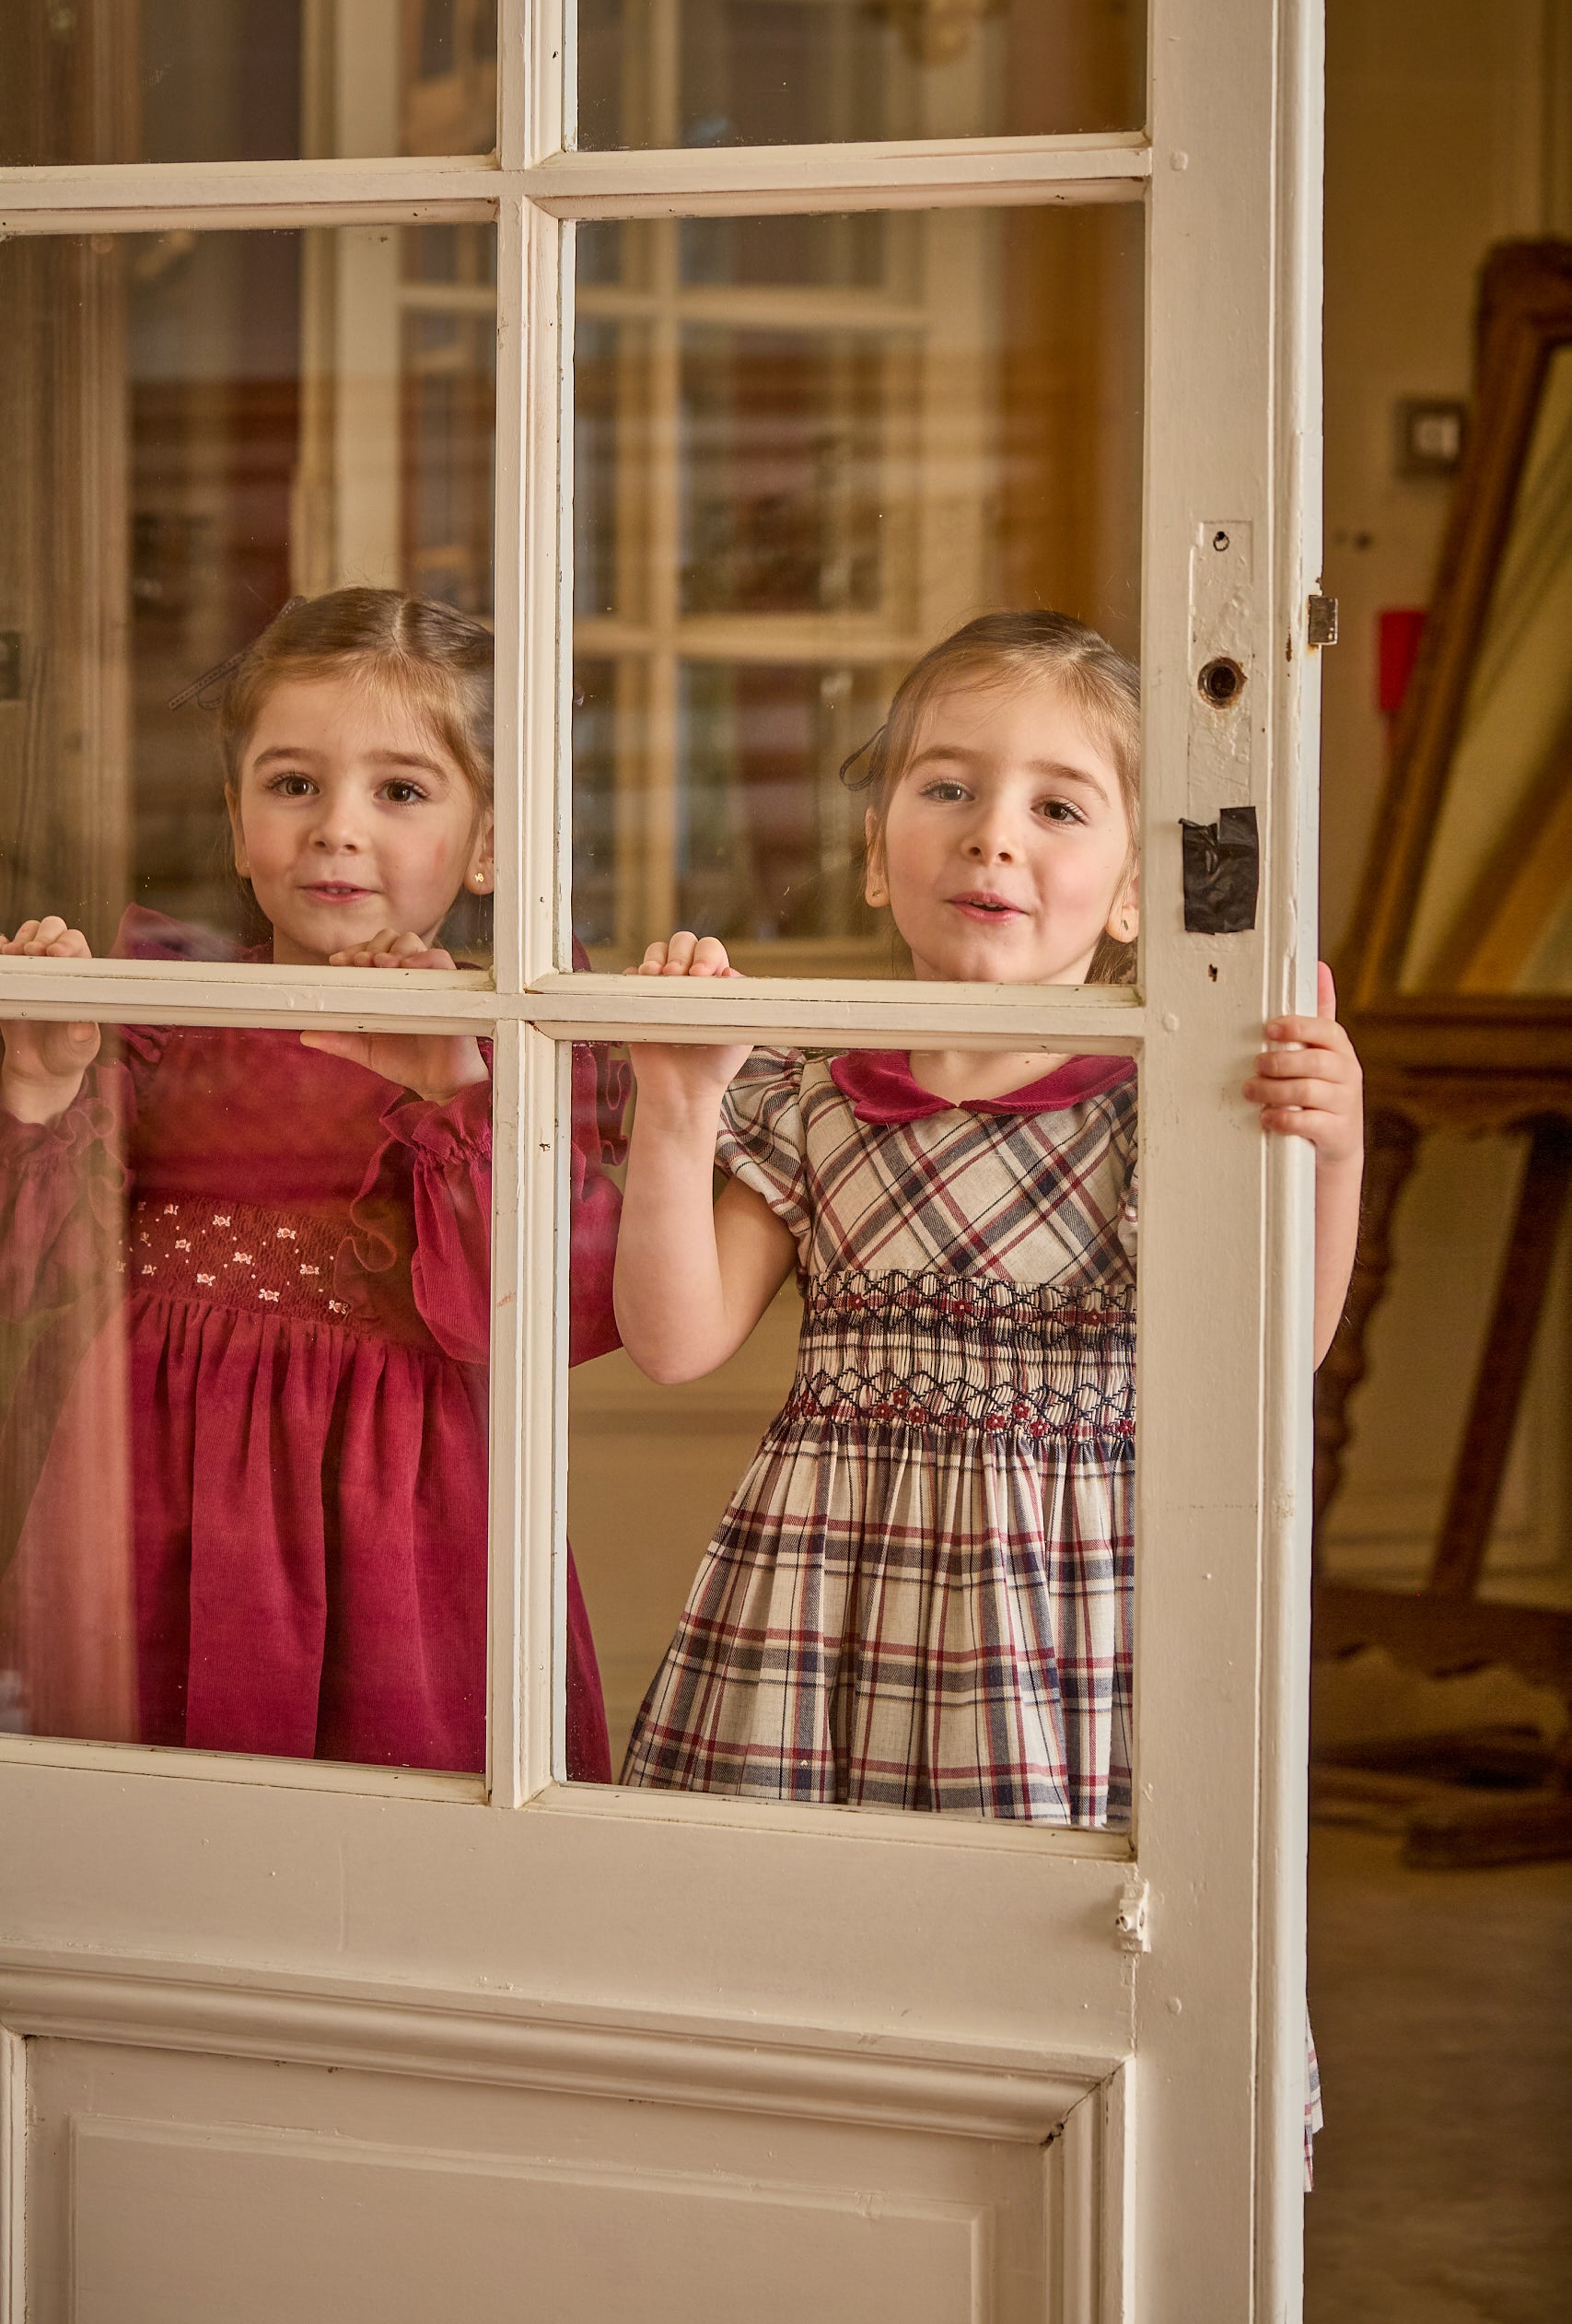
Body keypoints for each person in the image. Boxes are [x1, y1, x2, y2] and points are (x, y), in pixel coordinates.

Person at [615, 609, 1362, 1816]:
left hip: (1064, 1618)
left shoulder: (1150, 1114)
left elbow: (1273, 1357)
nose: (991, 837)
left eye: (1057, 808)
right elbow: (673, 1340)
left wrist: (1332, 1157)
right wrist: (678, 1101)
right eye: (949, 787)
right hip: (821, 1615)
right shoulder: (816, 1098)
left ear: (1133, 894)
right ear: (875, 854)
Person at [0, 589, 623, 1777]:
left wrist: (451, 1087)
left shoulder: (517, 1043)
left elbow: (557, 1302)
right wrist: (38, 1084)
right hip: (146, 1486)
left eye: (401, 791)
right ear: (237, 826)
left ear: (490, 845)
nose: (338, 828)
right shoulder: (162, 1014)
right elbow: (27, 1270)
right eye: (293, 785)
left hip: (396, 1512)